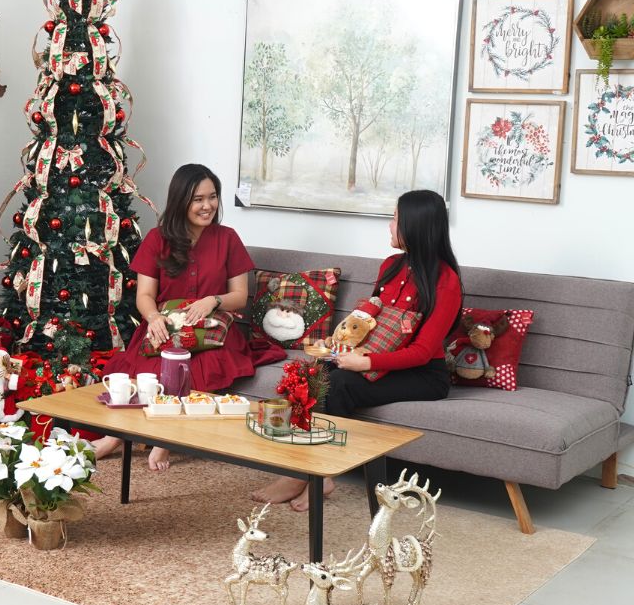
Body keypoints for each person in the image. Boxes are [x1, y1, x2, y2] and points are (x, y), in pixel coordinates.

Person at [251, 189, 462, 510]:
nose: (390, 225)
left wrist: (365, 363)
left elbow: (422, 351)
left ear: (415, 225)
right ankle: (297, 469)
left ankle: (321, 474)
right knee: (310, 374)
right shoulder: (391, 266)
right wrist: (336, 348)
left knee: (339, 385)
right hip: (377, 360)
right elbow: (367, 323)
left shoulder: (446, 281)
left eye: (395, 218)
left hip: (423, 374)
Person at [94, 164, 285, 470]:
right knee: (147, 371)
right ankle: (115, 437)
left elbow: (239, 296)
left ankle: (165, 439)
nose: (208, 205)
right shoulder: (157, 239)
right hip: (165, 326)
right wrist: (154, 318)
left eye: (213, 197)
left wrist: (213, 300)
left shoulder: (228, 238)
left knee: (193, 369)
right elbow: (144, 295)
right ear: (181, 200)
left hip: (213, 332)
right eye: (198, 199)